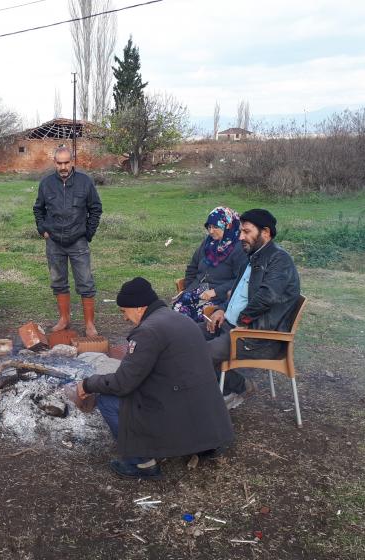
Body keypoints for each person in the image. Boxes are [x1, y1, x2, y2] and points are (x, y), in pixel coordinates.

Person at [75, 277, 234, 480]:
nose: (124, 318)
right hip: (208, 421)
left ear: (140, 308)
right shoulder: (182, 320)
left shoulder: (148, 331)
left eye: (124, 311)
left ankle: (141, 462)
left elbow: (123, 384)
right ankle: (204, 444)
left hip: (177, 410)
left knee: (107, 400)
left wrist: (89, 383)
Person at [201, 209, 301, 410]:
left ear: (266, 232)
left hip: (257, 337)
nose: (240, 237)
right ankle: (211, 389)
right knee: (185, 337)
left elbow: (266, 298)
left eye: (246, 232)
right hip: (233, 326)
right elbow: (236, 293)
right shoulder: (253, 257)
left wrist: (240, 321)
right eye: (240, 231)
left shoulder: (279, 260)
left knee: (200, 354)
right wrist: (222, 310)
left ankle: (237, 388)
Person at [33, 146, 103, 336]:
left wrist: (87, 233)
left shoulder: (84, 182)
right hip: (54, 241)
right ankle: (64, 320)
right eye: (59, 163)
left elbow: (95, 208)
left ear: (72, 161)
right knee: (58, 282)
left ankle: (89, 324)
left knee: (86, 282)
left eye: (66, 162)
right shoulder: (46, 183)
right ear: (54, 162)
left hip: (78, 241)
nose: (63, 166)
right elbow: (38, 209)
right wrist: (43, 230)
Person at [173, 206, 248, 322]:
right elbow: (192, 267)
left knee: (197, 317)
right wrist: (187, 289)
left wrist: (215, 292)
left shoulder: (239, 248)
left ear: (228, 225)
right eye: (209, 227)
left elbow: (241, 280)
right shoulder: (208, 242)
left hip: (219, 296)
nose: (211, 231)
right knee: (175, 313)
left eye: (216, 227)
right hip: (197, 290)